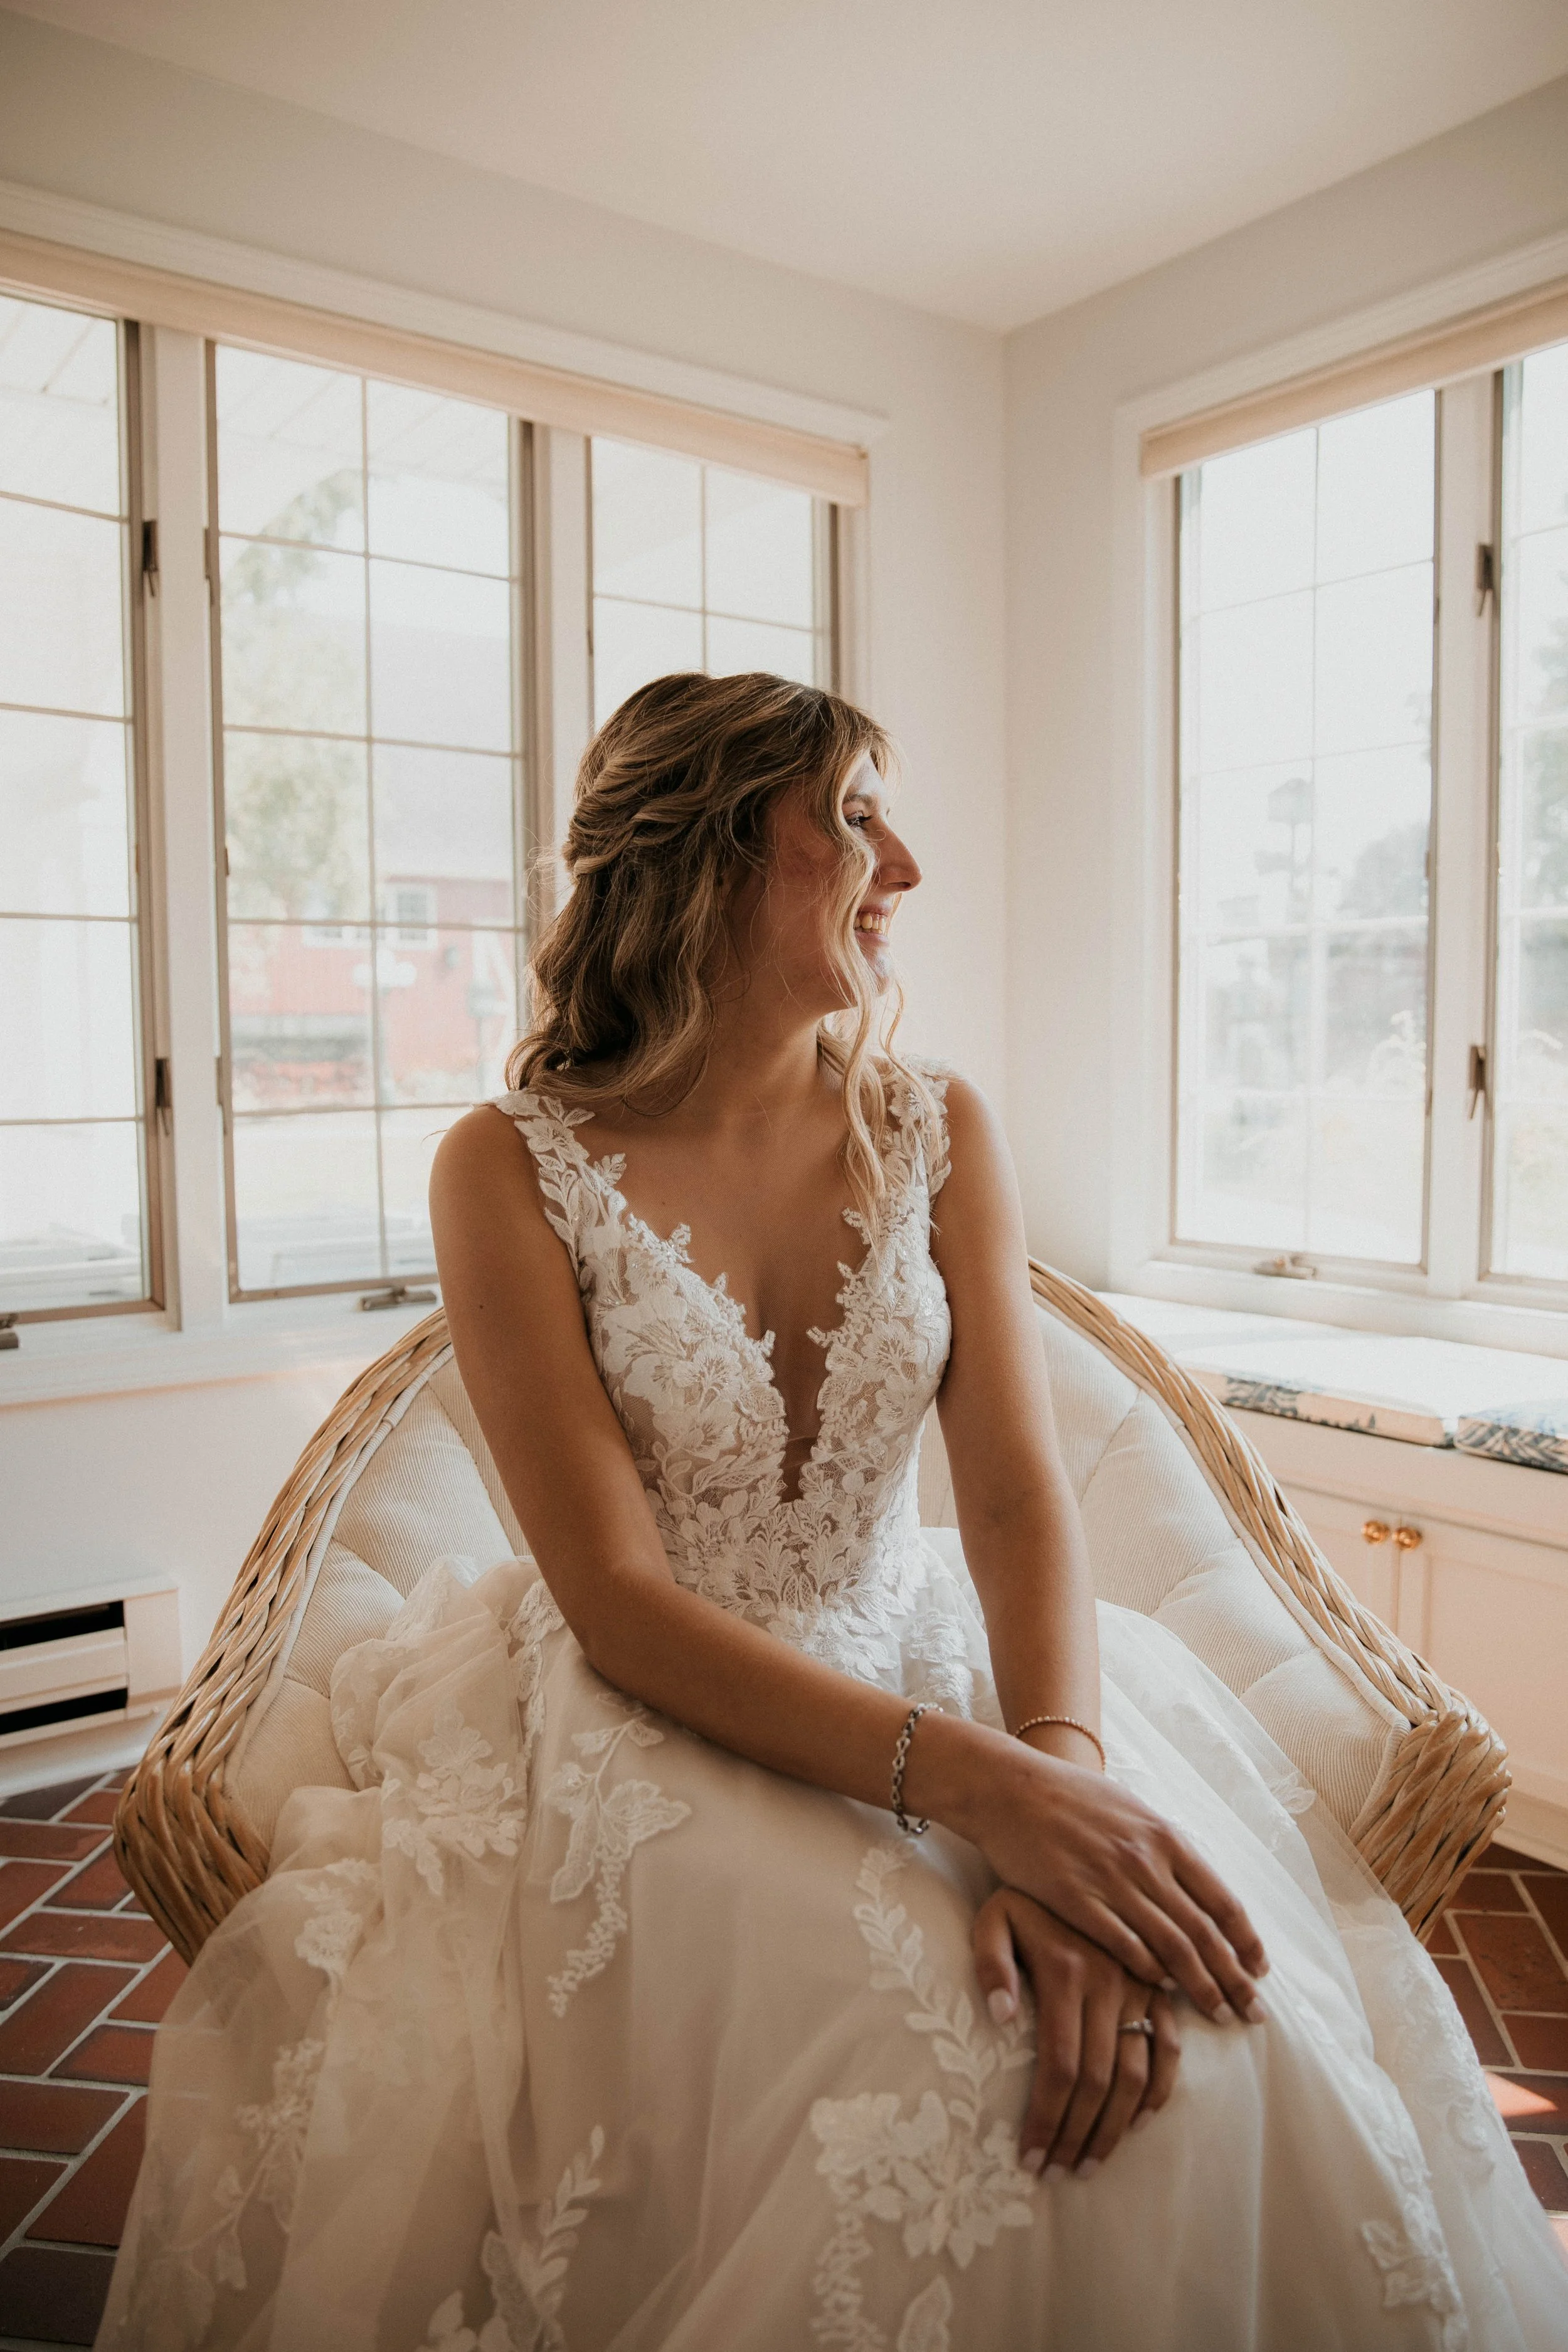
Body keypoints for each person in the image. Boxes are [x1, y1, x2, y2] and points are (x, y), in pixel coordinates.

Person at [101, 674, 1567, 2351]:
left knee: (1211, 2038)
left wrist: (1061, 1782)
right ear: (714, 850)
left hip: (950, 1657)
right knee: (919, 2058)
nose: (910, 864)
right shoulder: (503, 1166)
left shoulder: (936, 1128)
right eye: (858, 813)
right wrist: (982, 1798)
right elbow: (618, 1598)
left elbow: (1013, 1494)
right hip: (649, 1711)